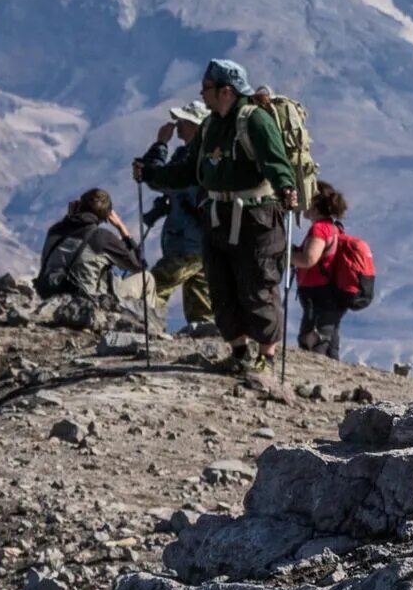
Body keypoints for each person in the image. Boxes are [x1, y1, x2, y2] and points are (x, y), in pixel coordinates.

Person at [134, 58, 295, 373]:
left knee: (257, 284)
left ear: (226, 91)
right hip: (218, 216)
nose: (201, 93)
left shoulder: (255, 121)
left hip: (256, 217)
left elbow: (276, 163)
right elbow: (189, 172)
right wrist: (152, 175)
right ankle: (238, 353)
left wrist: (286, 188)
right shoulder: (210, 126)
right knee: (221, 286)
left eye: (206, 88)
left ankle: (267, 356)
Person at [136, 103, 216, 334]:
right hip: (199, 243)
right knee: (201, 302)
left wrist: (160, 144)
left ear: (196, 126)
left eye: (184, 121)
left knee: (153, 287)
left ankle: (146, 331)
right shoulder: (191, 155)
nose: (178, 125)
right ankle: (205, 341)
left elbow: (155, 178)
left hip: (188, 244)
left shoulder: (195, 159)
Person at [37, 187, 146, 300]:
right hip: (84, 300)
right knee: (146, 278)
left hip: (47, 292)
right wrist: (121, 227)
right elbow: (139, 265)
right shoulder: (102, 237)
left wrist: (70, 218)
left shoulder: (54, 230)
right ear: (108, 215)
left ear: (78, 205)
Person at [293, 182, 352, 360]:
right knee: (329, 342)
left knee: (312, 341)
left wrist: (286, 255)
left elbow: (308, 259)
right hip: (329, 296)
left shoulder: (320, 228)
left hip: (318, 296)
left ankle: (313, 383)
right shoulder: (332, 227)